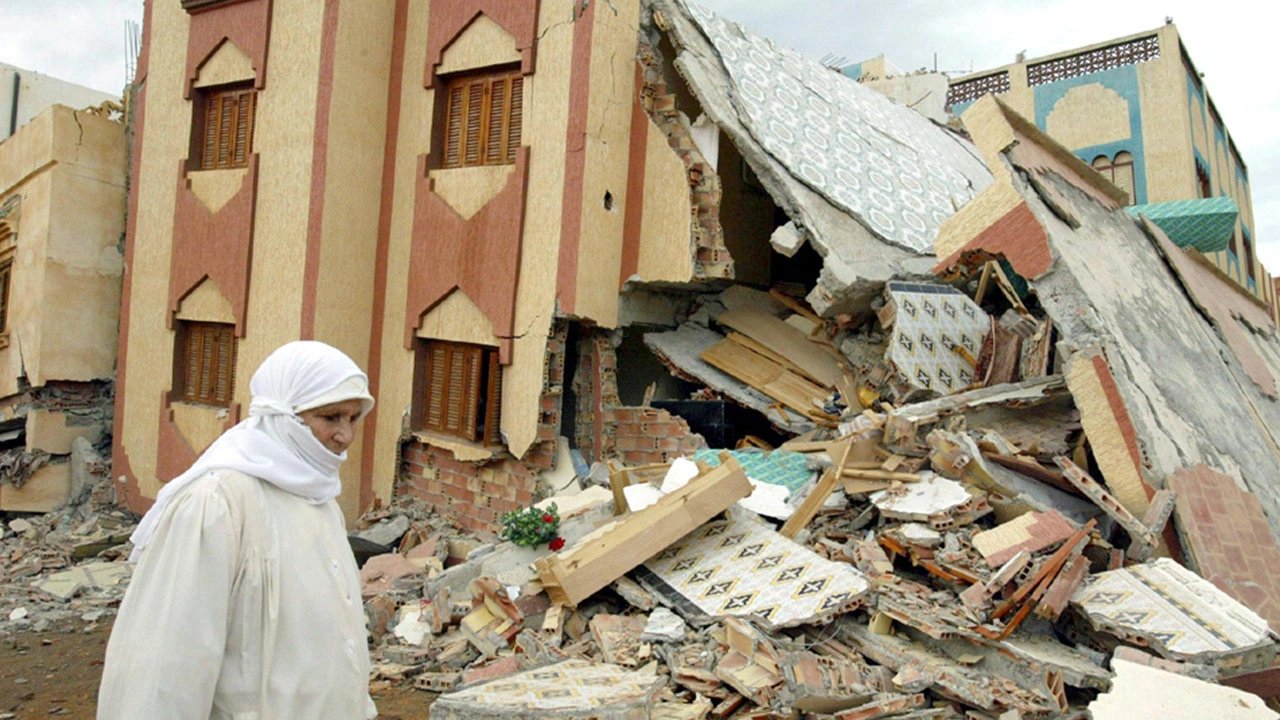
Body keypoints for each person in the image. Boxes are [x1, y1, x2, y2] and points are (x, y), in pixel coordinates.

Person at [97, 341, 378, 719]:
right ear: (283, 416)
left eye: (353, 418)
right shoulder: (216, 504)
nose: (345, 436)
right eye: (330, 418)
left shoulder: (321, 502)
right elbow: (165, 667)